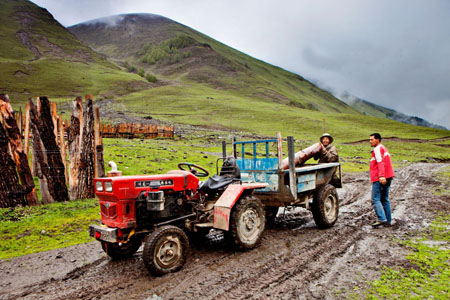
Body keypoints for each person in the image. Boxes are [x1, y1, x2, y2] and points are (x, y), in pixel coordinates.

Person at [369, 133, 395, 227]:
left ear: (377, 140)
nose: (370, 141)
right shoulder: (383, 148)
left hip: (379, 178)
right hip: (388, 176)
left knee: (375, 199)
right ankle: (388, 221)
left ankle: (381, 219)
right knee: (385, 199)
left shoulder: (377, 149)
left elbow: (380, 162)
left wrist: (381, 176)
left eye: (372, 139)